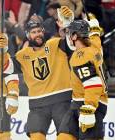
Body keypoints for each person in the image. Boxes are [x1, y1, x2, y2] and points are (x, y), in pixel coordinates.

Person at [12, 6, 75, 140]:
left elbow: (71, 45)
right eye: (34, 32)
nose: (38, 34)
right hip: (38, 105)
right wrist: (1, 49)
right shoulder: (22, 55)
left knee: (67, 137)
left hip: (62, 100)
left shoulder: (55, 44)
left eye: (39, 31)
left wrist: (68, 27)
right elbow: (5, 68)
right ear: (28, 35)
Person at [57, 15, 108, 140]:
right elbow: (95, 37)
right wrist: (94, 25)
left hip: (89, 104)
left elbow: (93, 82)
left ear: (75, 36)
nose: (69, 36)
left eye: (70, 33)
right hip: (78, 103)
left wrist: (89, 108)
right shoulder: (95, 47)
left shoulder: (81, 55)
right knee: (63, 137)